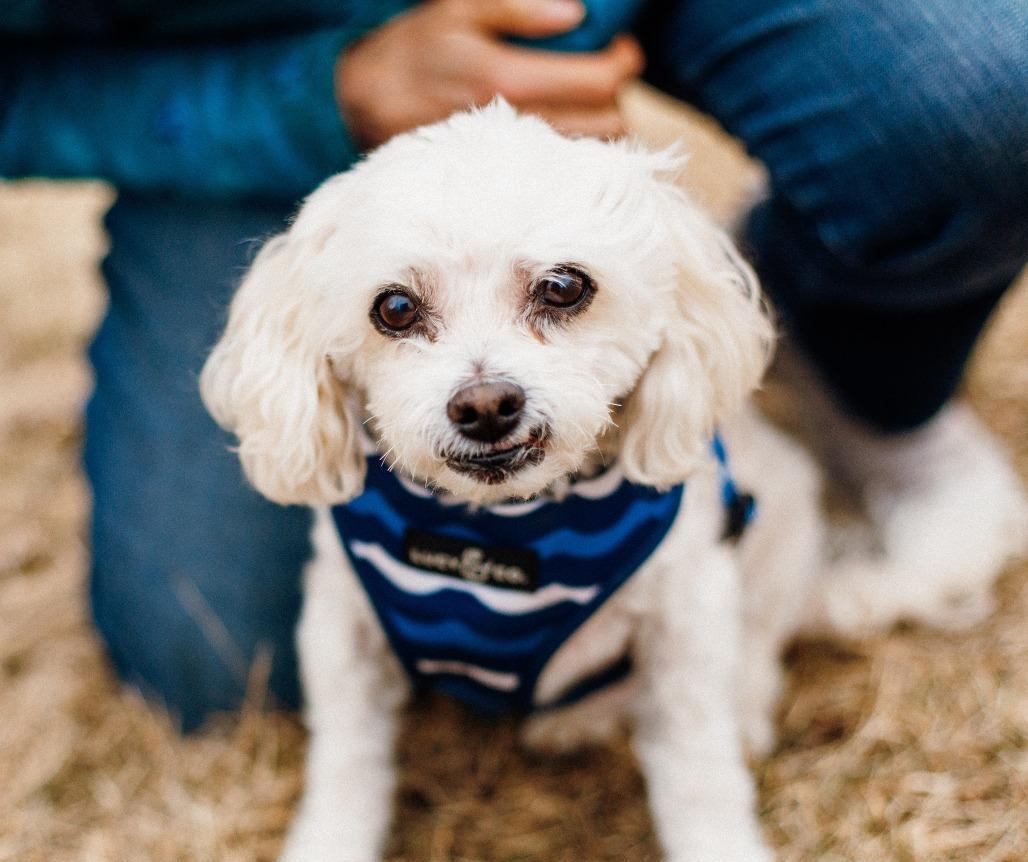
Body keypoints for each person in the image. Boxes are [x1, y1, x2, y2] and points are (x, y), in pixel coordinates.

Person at [2, 0, 1025, 729]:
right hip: (236, 51)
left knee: (980, 93)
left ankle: (831, 353)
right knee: (212, 656)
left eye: (562, 296)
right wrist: (313, 96)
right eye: (399, 313)